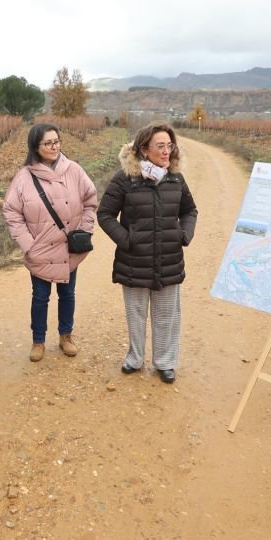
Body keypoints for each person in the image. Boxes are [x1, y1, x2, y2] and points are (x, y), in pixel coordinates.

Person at [97, 123, 197, 384]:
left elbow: (189, 210)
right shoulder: (125, 178)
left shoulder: (175, 178)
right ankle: (135, 358)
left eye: (169, 145)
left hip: (169, 259)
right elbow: (105, 214)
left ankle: (165, 362)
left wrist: (183, 235)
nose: (166, 151)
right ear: (144, 149)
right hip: (134, 260)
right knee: (136, 314)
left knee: (167, 315)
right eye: (160, 146)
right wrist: (127, 240)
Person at [2, 123, 98, 362]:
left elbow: (90, 201)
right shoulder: (24, 177)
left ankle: (66, 336)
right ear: (36, 146)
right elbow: (11, 212)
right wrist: (28, 244)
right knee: (40, 296)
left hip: (68, 247)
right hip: (41, 249)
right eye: (48, 143)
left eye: (57, 141)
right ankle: (38, 341)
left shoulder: (74, 170)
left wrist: (85, 230)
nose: (54, 147)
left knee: (68, 293)